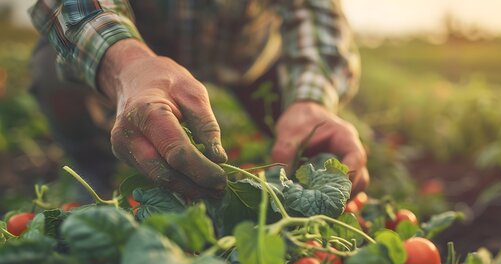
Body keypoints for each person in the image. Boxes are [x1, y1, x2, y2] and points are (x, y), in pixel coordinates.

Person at [28, 0, 369, 198]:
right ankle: (97, 172)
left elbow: (315, 10)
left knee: (308, 134)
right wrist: (125, 65)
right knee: (53, 68)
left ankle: (302, 192)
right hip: (141, 44)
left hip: (250, 59)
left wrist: (310, 101)